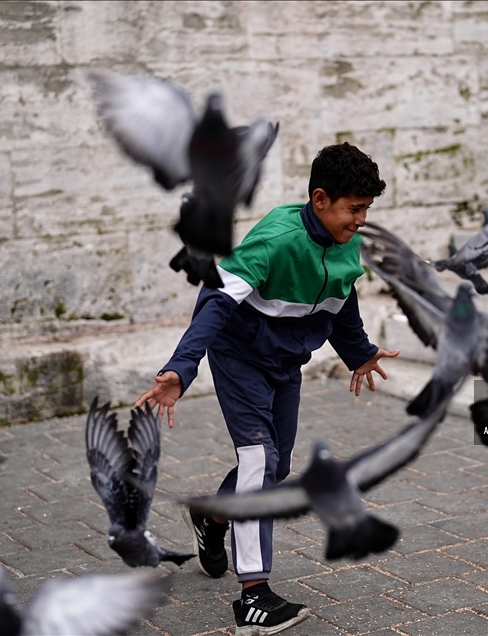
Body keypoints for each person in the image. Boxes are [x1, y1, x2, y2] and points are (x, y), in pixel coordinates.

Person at [135, 142, 400, 635]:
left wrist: (360, 352)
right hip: (239, 359)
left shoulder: (346, 241)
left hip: (284, 365)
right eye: (354, 208)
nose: (361, 219)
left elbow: (342, 299)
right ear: (320, 199)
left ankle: (212, 517)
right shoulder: (275, 239)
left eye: (366, 209)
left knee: (275, 467)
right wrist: (182, 367)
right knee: (258, 463)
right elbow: (216, 299)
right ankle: (253, 596)